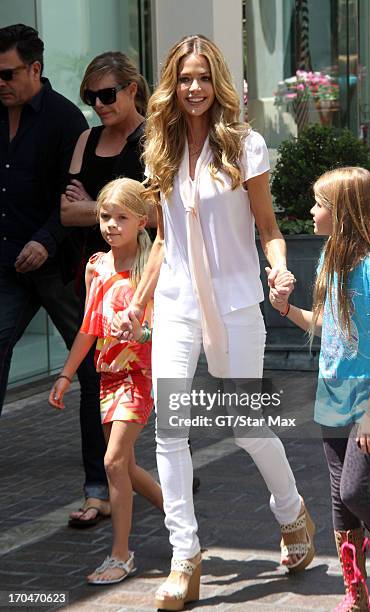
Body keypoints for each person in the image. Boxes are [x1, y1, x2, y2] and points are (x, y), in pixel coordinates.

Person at [117, 34, 316, 611]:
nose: (195, 88)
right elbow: (163, 241)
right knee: (169, 430)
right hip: (177, 304)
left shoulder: (246, 147)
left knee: (246, 426)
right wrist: (138, 300)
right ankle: (186, 557)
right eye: (184, 79)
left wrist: (279, 272)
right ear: (171, 87)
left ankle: (291, 510)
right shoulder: (159, 147)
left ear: (217, 82)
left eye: (203, 78)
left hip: (233, 304)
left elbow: (270, 230)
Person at [269, 167, 370, 612]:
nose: (311, 212)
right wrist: (287, 309)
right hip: (333, 395)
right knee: (338, 497)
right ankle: (356, 595)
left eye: (319, 204)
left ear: (343, 212)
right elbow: (326, 325)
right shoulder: (331, 256)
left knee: (353, 490)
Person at [49, 177, 163, 584]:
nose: (111, 225)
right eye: (104, 217)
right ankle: (180, 520)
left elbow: (161, 328)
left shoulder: (152, 267)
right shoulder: (96, 266)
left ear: (142, 221)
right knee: (126, 468)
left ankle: (120, 555)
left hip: (140, 375)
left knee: (113, 460)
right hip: (107, 377)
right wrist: (65, 375)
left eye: (121, 217)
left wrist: (139, 330)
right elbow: (88, 327)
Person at [60, 52, 154, 528]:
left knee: (149, 372)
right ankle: (99, 487)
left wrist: (93, 208)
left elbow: (157, 216)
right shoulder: (86, 138)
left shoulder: (153, 138)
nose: (98, 104)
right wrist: (119, 208)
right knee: (96, 379)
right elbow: (67, 212)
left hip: (143, 276)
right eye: (90, 97)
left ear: (133, 89)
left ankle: (155, 474)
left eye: (107, 94)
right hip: (95, 273)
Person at [0, 25, 88, 412]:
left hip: (59, 267)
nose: (0, 83)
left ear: (35, 69)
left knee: (93, 360)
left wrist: (46, 239)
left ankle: (115, 456)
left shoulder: (66, 120)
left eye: (8, 74)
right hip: (9, 264)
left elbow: (74, 193)